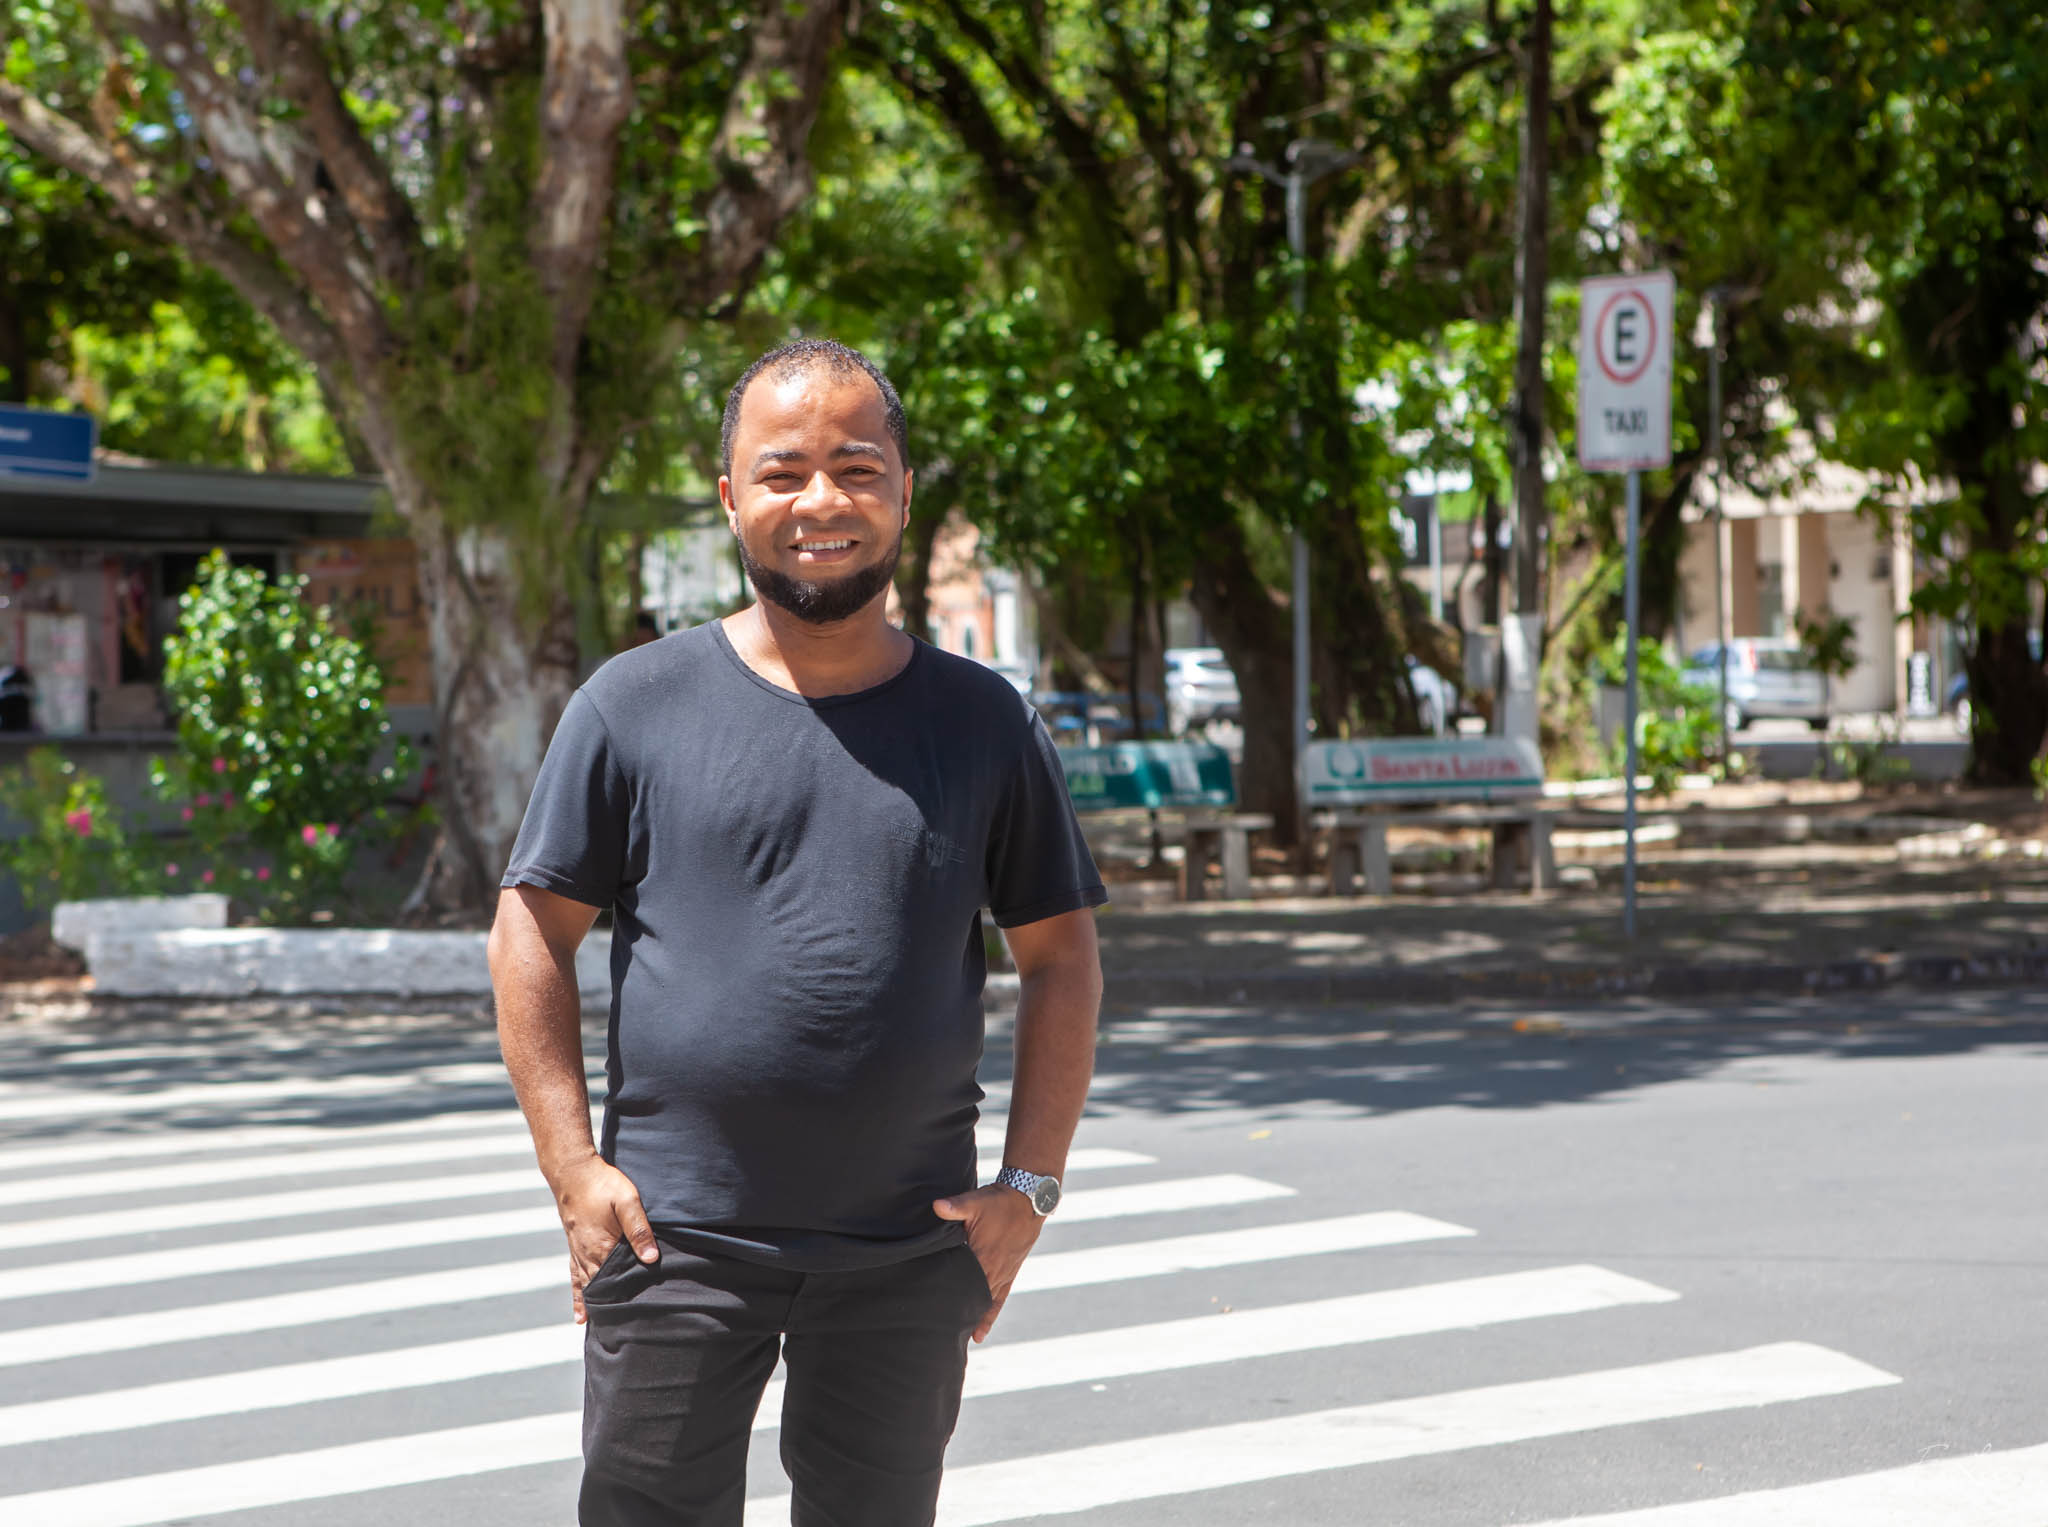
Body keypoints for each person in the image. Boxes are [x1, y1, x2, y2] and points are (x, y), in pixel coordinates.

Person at [488, 337, 1106, 1527]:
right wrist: (572, 1171)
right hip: (670, 1241)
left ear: (903, 493)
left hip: (907, 1246)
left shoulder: (984, 722)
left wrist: (1029, 1186)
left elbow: (1060, 955)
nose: (820, 500)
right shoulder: (631, 705)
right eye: (782, 472)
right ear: (730, 497)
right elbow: (529, 931)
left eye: (856, 468)